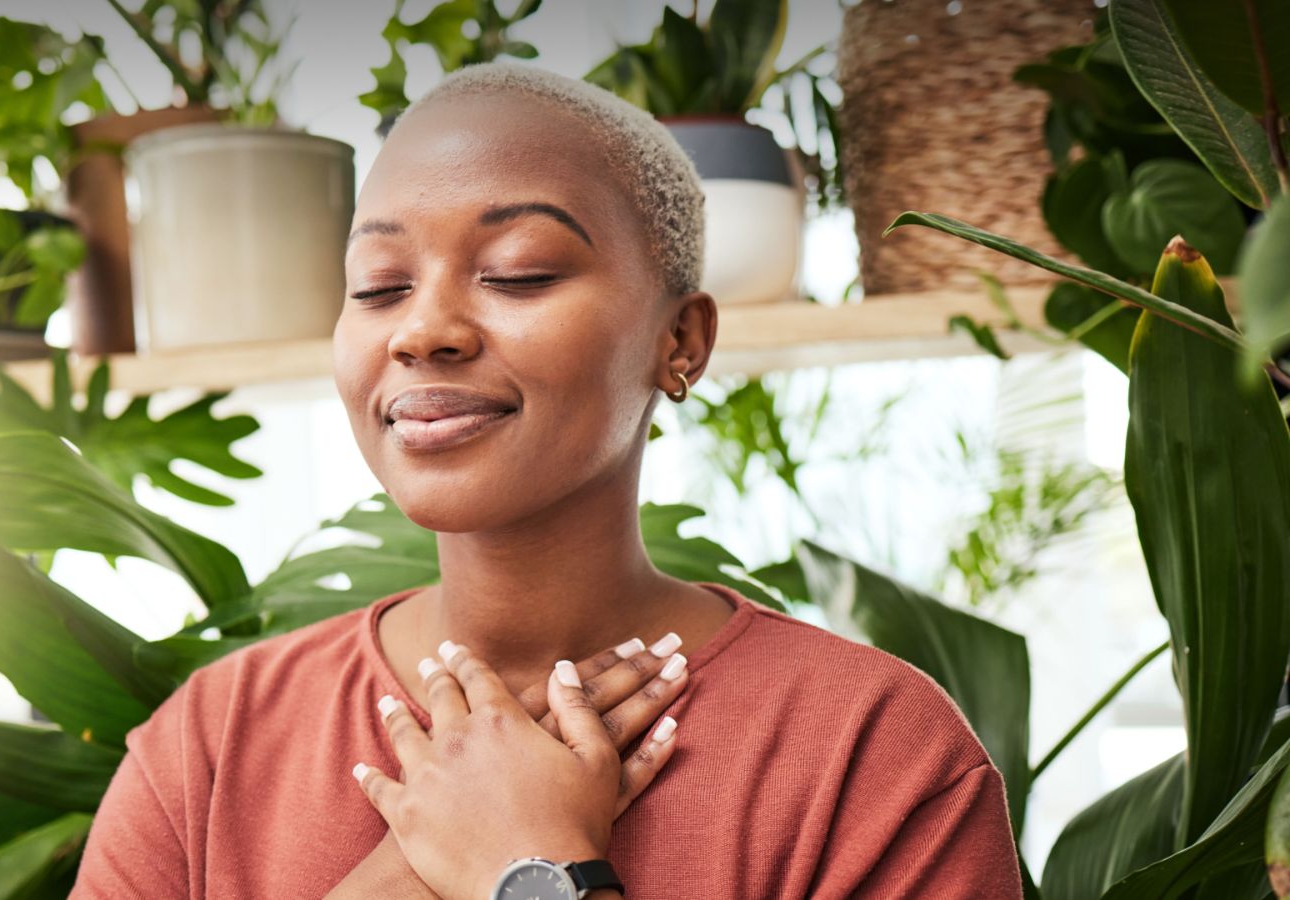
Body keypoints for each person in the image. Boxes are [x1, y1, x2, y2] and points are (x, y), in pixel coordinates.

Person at [70, 61, 1023, 900]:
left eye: (518, 273)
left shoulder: (872, 754)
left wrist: (530, 869)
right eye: (378, 285)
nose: (421, 330)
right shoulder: (213, 741)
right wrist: (410, 871)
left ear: (679, 341)